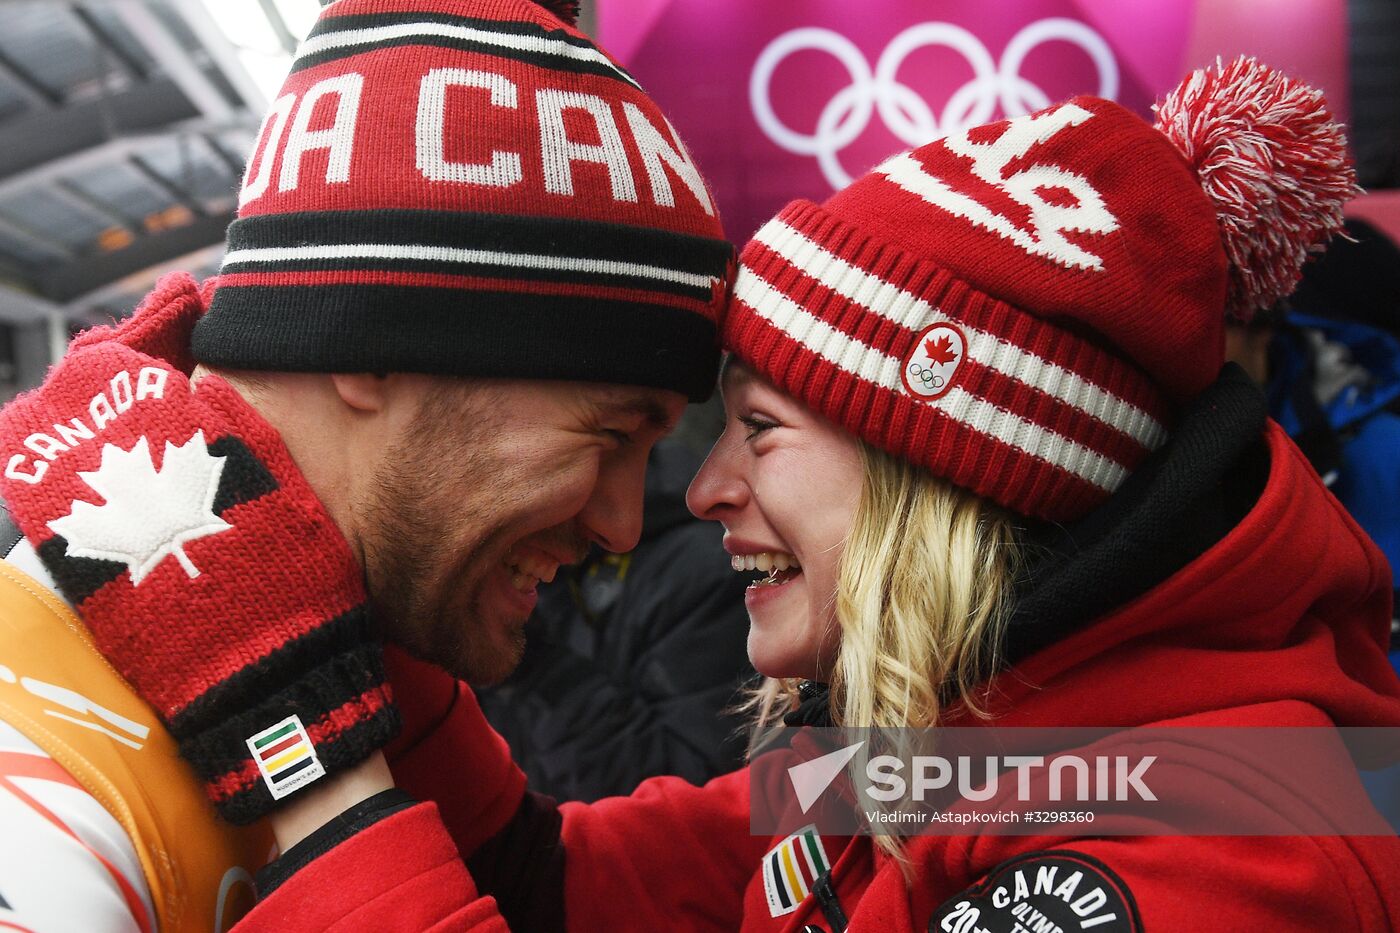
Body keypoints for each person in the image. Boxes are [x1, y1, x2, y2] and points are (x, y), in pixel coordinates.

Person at [198, 56, 1399, 931]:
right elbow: (560, 879)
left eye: (760, 433)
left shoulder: (1221, 844)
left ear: (952, 479)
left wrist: (315, 781)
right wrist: (323, 607)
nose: (699, 492)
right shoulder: (951, 746)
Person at [0, 0, 731, 929]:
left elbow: (563, 879)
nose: (624, 523)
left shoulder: (343, 627)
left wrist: (940, 773)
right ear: (373, 348)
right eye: (610, 434)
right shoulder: (35, 803)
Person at [478, 436, 754, 802]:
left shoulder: (704, 574)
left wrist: (530, 661)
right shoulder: (518, 564)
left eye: (762, 431)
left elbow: (700, 809)